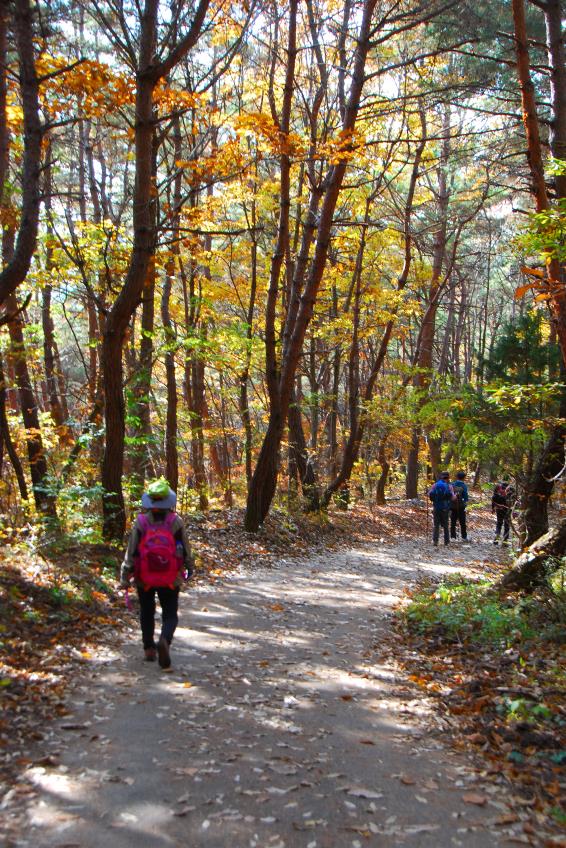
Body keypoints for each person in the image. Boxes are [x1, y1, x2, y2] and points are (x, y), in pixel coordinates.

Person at [120, 478, 194, 668]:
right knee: (170, 613)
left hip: (144, 577)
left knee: (146, 611)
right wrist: (189, 566)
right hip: (171, 577)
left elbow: (132, 550)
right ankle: (165, 641)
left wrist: (125, 574)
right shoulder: (175, 521)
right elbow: (185, 548)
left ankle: (149, 649)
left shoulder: (141, 521)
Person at [428, 471, 454, 546]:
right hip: (445, 508)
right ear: (448, 478)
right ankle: (446, 541)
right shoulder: (449, 486)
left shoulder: (435, 485)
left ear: (441, 477)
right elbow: (452, 498)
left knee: (436, 525)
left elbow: (429, 494)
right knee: (446, 524)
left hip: (436, 507)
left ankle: (435, 541)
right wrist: (456, 496)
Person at [491, 479, 514, 545]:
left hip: (499, 510)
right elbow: (513, 503)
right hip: (507, 511)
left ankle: (497, 538)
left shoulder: (496, 495)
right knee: (507, 525)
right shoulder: (509, 495)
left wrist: (493, 509)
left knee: (499, 524)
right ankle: (505, 541)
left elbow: (493, 502)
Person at [450, 470, 469, 542]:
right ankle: (464, 537)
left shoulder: (452, 484)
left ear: (456, 477)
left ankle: (453, 537)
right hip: (461, 506)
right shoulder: (463, 486)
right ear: (464, 478)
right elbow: (466, 497)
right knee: (462, 522)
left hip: (452, 506)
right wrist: (465, 502)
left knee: (453, 522)